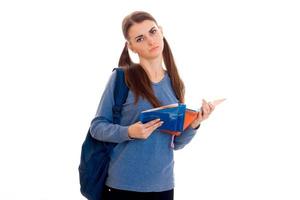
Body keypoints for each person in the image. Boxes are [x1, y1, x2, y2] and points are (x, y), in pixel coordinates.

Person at [89, 11, 215, 200]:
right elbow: (97, 127)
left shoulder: (174, 83)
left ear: (161, 32)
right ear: (131, 47)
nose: (150, 41)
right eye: (140, 38)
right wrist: (130, 132)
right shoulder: (121, 78)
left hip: (163, 187)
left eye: (153, 32)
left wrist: (196, 122)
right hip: (122, 186)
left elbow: (176, 143)